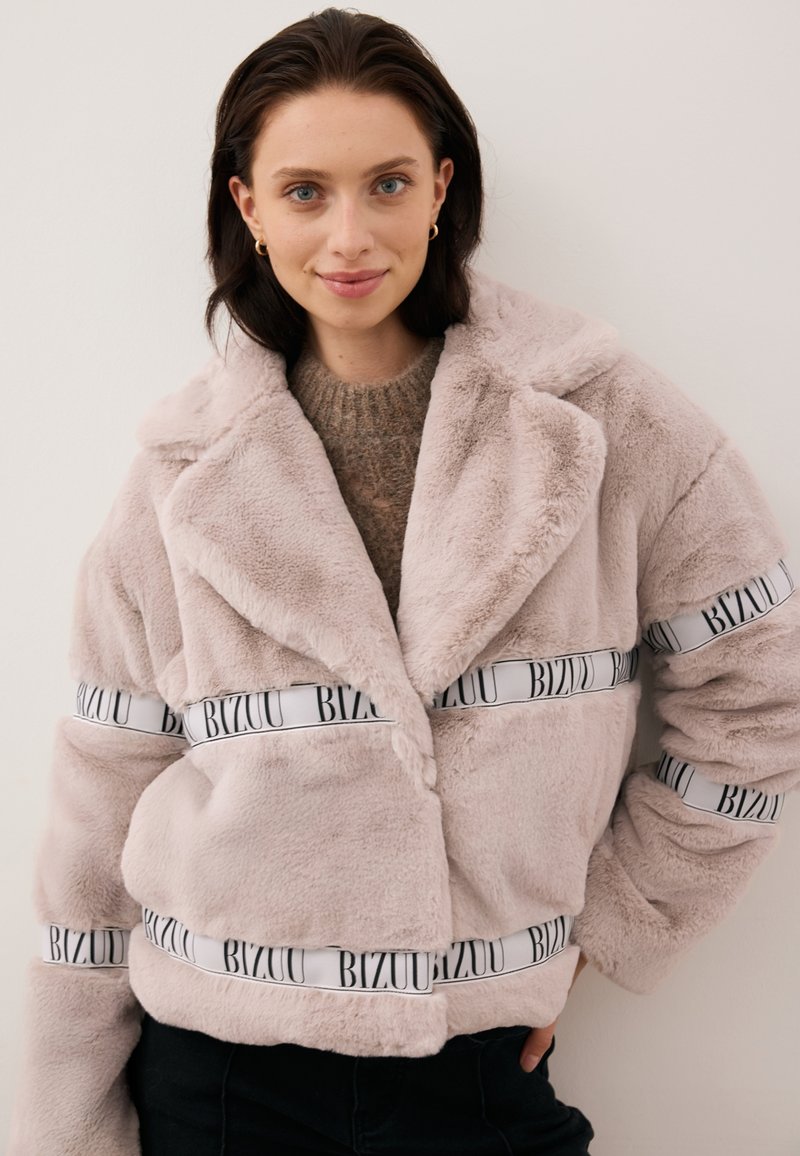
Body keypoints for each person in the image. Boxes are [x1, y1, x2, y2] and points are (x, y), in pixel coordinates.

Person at [7, 7, 799, 1155]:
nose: (349, 236)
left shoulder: (595, 418)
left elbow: (758, 689)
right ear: (247, 207)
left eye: (385, 184)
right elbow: (99, 799)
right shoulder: (179, 474)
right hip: (219, 1078)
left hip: (477, 1069)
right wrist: (62, 1125)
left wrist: (612, 925)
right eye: (304, 191)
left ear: (440, 187)